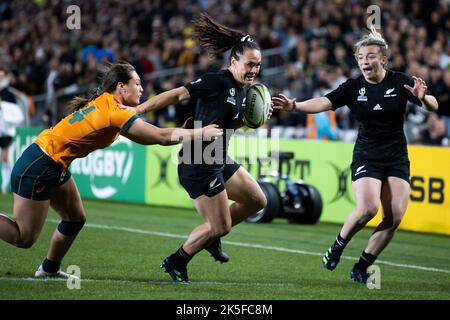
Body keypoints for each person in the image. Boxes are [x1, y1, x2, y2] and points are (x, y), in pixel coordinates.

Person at [0, 61, 223, 279]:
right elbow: (160, 137)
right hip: (40, 164)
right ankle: (48, 268)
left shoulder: (109, 105)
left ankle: (49, 269)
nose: (142, 88)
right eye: (137, 83)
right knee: (23, 238)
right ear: (121, 87)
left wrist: (183, 134)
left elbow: (149, 136)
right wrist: (201, 132)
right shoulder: (115, 111)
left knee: (74, 219)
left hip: (51, 162)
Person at [272, 27, 438, 284]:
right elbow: (324, 102)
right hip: (367, 156)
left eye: (370, 56)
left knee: (394, 218)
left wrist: (423, 98)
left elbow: (433, 105)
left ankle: (362, 265)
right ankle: (338, 245)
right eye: (360, 57)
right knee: (368, 208)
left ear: (383, 59)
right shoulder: (352, 87)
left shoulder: (399, 81)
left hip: (396, 157)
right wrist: (295, 106)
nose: (364, 62)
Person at [123, 13, 268, 283]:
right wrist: (139, 109)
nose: (253, 70)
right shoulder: (217, 81)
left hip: (218, 158)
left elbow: (233, 121)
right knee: (220, 225)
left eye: (257, 65)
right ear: (233, 61)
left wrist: (257, 118)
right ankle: (177, 261)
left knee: (258, 200)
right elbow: (177, 94)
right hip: (198, 161)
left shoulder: (245, 89)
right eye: (249, 64)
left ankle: (212, 235)